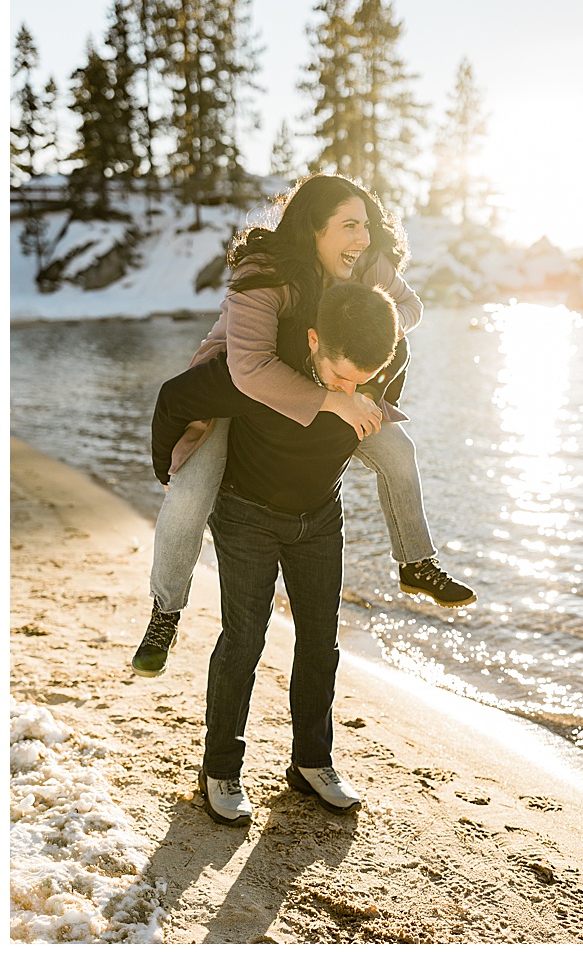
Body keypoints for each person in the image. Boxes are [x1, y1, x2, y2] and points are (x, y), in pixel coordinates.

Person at [133, 175, 476, 679]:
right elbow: (248, 368)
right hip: (240, 392)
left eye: (366, 225)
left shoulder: (367, 262)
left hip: (333, 374)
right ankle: (165, 613)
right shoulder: (265, 271)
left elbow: (410, 307)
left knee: (398, 450)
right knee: (189, 494)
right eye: (349, 226)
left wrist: (368, 323)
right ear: (315, 229)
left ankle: (415, 563)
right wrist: (331, 401)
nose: (362, 237)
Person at [151, 281, 401, 826]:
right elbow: (174, 398)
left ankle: (312, 763)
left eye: (361, 383)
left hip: (320, 517)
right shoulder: (255, 375)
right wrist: (169, 473)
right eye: (339, 378)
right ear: (313, 340)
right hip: (246, 514)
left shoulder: (380, 359)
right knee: (245, 638)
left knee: (320, 640)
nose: (349, 391)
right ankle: (219, 769)